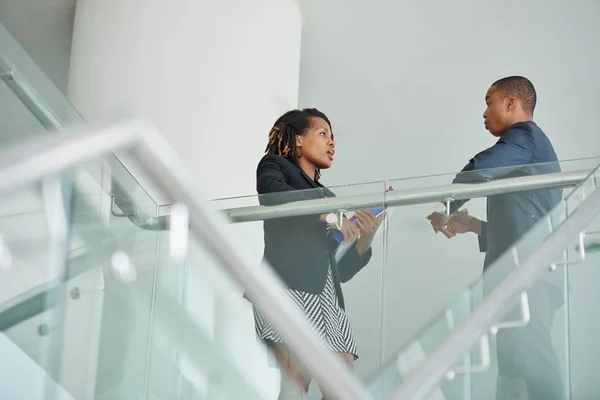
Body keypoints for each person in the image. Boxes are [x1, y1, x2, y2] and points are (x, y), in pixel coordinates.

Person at [427, 76, 565, 400]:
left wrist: (443, 206)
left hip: (527, 274)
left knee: (527, 363)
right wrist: (475, 225)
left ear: (511, 103)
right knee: (515, 366)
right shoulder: (529, 154)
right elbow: (525, 223)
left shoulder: (524, 136)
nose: (484, 112)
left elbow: (483, 168)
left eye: (489, 101)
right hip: (526, 271)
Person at [252, 108, 385, 399]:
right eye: (323, 134)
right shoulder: (276, 165)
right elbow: (270, 191)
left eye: (333, 137)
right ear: (298, 139)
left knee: (342, 386)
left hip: (327, 298)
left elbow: (339, 268)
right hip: (286, 288)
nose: (332, 143)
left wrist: (365, 238)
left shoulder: (329, 198)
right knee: (296, 381)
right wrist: (325, 216)